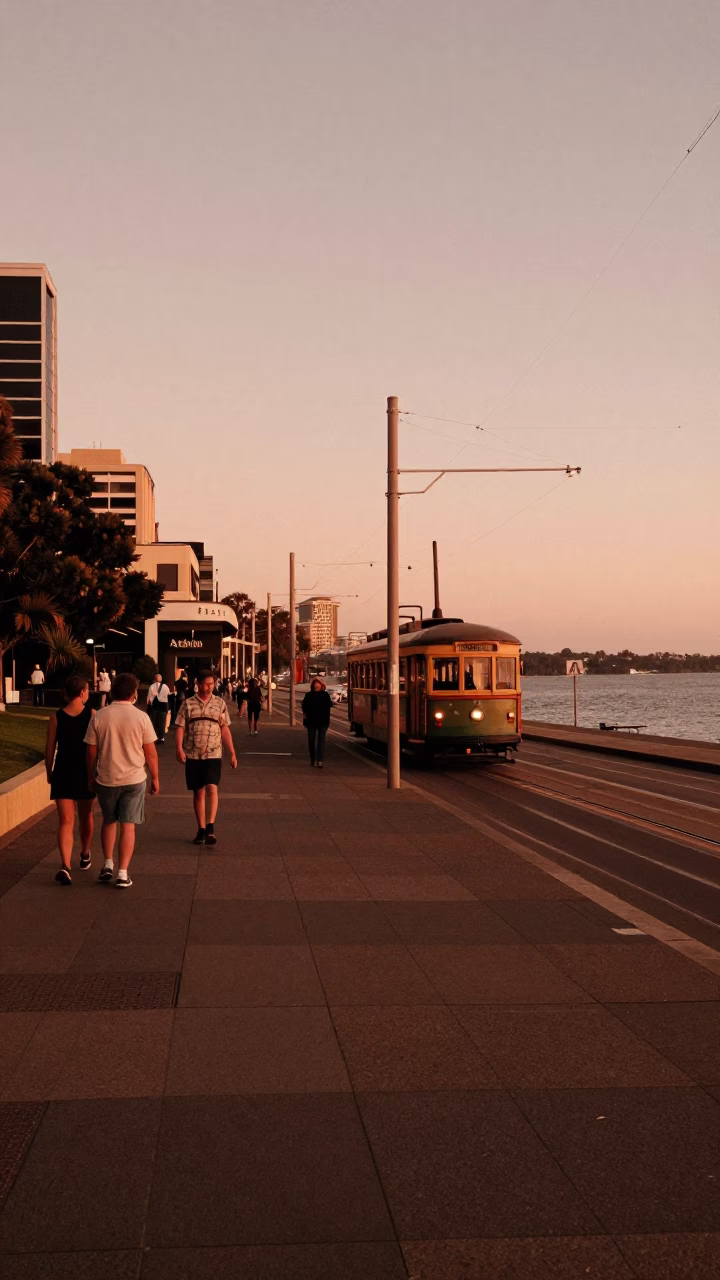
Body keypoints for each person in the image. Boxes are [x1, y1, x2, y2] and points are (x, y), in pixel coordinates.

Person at [84, 672, 159, 889]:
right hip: (134, 779)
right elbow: (151, 753)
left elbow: (91, 753)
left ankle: (107, 863)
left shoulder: (99, 716)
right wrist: (155, 777)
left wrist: (91, 776)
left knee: (108, 821)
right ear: (134, 693)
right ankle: (123, 873)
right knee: (128, 826)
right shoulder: (141, 717)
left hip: (106, 779)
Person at [175, 668, 237, 845]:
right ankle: (201, 828)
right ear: (197, 684)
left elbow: (225, 728)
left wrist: (232, 752)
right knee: (198, 792)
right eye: (205, 684)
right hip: (193, 753)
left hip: (214, 752)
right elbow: (180, 727)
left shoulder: (219, 703)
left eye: (211, 684)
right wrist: (178, 748)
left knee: (212, 787)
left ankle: (210, 826)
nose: (209, 687)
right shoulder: (187, 704)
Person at [45, 674, 96, 885]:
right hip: (85, 772)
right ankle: (85, 853)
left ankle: (65, 865)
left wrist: (50, 772)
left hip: (63, 772)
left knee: (65, 821)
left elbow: (49, 750)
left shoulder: (56, 717)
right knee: (86, 816)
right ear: (83, 693)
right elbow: (96, 749)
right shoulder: (92, 715)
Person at [302, 678, 332, 768]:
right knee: (311, 740)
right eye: (315, 684)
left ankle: (319, 760)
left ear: (322, 686)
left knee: (321, 741)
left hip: (323, 721)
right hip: (311, 721)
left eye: (318, 684)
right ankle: (313, 759)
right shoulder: (308, 695)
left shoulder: (325, 695)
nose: (316, 686)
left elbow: (328, 706)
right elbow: (304, 708)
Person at [146, 672, 170, 743]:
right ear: (161, 679)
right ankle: (161, 737)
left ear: (154, 679)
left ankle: (154, 737)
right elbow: (168, 694)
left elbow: (149, 698)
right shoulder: (165, 686)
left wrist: (148, 705)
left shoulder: (152, 686)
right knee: (162, 722)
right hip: (163, 706)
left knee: (154, 722)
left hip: (155, 706)